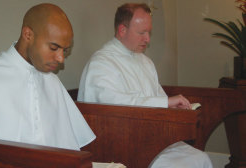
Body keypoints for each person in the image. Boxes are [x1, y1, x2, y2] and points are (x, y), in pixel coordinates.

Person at [78, 3, 212, 168]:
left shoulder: (145, 62)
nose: (147, 39)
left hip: (154, 140)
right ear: (122, 30)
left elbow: (159, 99)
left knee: (200, 158)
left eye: (149, 32)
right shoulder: (101, 64)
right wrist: (165, 103)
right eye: (142, 33)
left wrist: (175, 110)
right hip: (123, 148)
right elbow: (111, 108)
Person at [0, 3, 95, 151]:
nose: (61, 58)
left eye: (65, 50)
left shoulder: (52, 81)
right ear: (28, 35)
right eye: (54, 48)